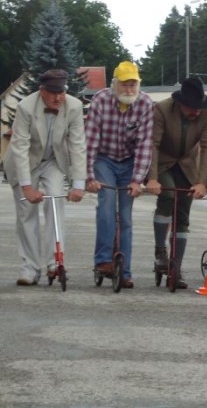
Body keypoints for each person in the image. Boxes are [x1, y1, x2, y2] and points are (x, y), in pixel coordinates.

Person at [4, 69, 87, 286]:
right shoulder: (25, 107)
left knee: (55, 201)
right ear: (41, 91)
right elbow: (20, 147)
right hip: (25, 163)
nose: (57, 97)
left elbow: (78, 145)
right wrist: (27, 187)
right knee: (26, 212)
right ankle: (30, 268)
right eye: (52, 92)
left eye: (61, 92)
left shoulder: (75, 106)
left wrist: (78, 184)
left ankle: (54, 261)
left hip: (53, 161)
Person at [85, 61, 154, 289]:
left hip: (129, 162)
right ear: (115, 84)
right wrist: (89, 177)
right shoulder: (100, 100)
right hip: (104, 159)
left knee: (125, 216)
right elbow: (91, 141)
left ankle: (124, 270)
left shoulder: (145, 104)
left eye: (133, 84)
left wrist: (137, 180)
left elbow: (145, 145)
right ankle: (103, 260)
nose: (129, 89)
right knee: (106, 204)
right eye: (124, 84)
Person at [145, 78, 207, 289]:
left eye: (198, 107)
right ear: (180, 103)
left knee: (183, 214)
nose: (196, 112)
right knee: (167, 196)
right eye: (191, 108)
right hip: (163, 162)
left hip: (187, 164)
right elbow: (153, 144)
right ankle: (160, 251)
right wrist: (152, 178)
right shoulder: (162, 109)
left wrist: (202, 182)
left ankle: (176, 266)